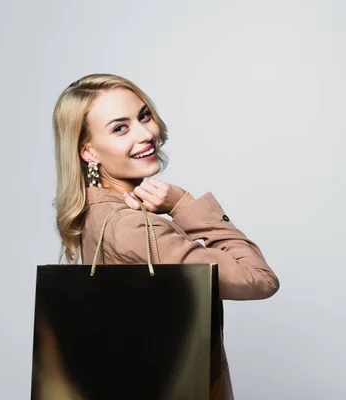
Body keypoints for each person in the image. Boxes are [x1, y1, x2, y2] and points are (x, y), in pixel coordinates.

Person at [51, 73, 280, 399]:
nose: (146, 133)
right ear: (88, 152)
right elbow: (259, 279)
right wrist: (184, 205)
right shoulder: (132, 227)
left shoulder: (94, 213)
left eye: (144, 116)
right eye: (120, 128)